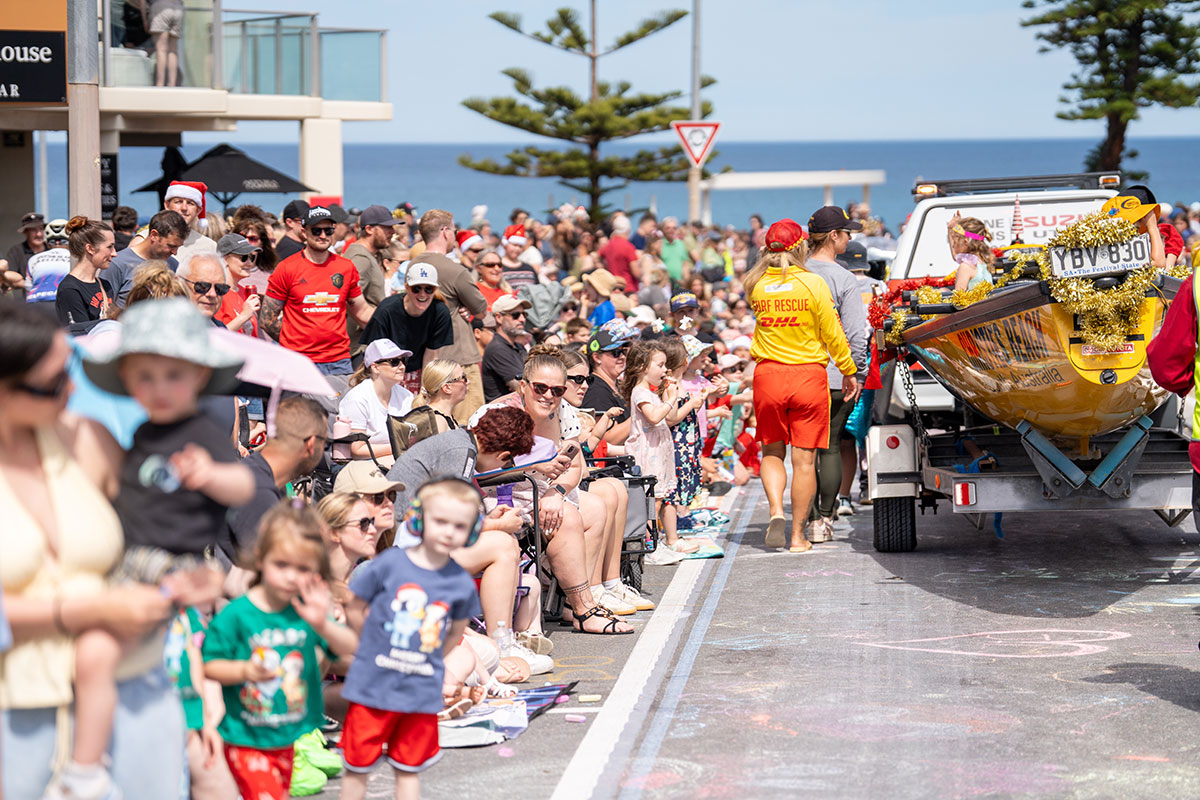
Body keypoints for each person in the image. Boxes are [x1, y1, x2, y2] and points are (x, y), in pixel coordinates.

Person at [0, 301, 185, 800]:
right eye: (52, 383)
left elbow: (162, 533)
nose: (73, 390)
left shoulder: (86, 437)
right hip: (15, 716)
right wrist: (84, 610)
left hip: (134, 692)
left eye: (71, 371)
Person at [338, 478, 484, 800]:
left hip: (419, 693)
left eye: (460, 526)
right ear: (418, 518)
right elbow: (355, 606)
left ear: (472, 532)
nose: (449, 531)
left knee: (408, 769)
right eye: (440, 521)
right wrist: (366, 644)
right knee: (357, 767)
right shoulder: (390, 563)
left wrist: (432, 656)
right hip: (373, 687)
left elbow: (456, 631)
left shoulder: (460, 583)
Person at [203, 503, 357, 800]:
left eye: (303, 569)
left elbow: (351, 648)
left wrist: (324, 624)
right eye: (281, 565)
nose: (291, 577)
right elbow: (209, 664)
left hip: (288, 737)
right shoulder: (238, 614)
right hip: (247, 738)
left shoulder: (304, 612)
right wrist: (244, 671)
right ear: (260, 558)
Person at [746, 219, 859, 553]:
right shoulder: (813, 283)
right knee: (805, 462)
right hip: (808, 376)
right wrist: (848, 370)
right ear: (800, 247)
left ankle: (775, 511)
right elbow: (833, 334)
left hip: (768, 375)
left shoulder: (755, 284)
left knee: (772, 451)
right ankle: (798, 536)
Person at [801, 206, 870, 542]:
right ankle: (822, 520)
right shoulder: (843, 278)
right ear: (833, 236)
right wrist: (857, 372)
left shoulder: (794, 272)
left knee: (804, 451)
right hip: (834, 373)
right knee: (830, 447)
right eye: (846, 232)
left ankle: (807, 515)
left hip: (797, 372)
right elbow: (856, 334)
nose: (849, 238)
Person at [261, 206, 375, 376]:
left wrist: (393, 321)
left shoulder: (345, 267)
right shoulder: (286, 268)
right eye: (316, 230)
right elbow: (267, 320)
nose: (323, 235)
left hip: (338, 361)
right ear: (304, 232)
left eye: (328, 230)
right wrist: (293, 342)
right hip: (299, 361)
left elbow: (362, 311)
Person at [223, 395, 328, 564]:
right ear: (311, 444)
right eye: (325, 442)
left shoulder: (264, 478)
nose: (324, 450)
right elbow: (271, 567)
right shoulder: (258, 492)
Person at [622, 340, 697, 562]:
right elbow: (654, 417)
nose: (665, 370)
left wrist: (669, 394)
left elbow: (670, 417)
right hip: (648, 453)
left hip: (658, 453)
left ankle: (654, 541)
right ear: (643, 367)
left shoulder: (651, 392)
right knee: (651, 502)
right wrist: (671, 399)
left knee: (658, 499)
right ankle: (649, 546)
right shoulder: (640, 392)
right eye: (660, 365)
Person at [411, 210, 488, 422]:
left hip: (429, 362)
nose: (454, 235)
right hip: (459, 358)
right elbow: (481, 310)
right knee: (470, 424)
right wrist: (466, 307)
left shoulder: (412, 267)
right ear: (445, 232)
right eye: (453, 231)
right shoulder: (455, 271)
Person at [360, 262, 455, 395]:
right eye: (416, 289)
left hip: (418, 371)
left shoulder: (440, 312)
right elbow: (377, 354)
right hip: (386, 369)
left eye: (429, 289)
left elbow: (431, 355)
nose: (422, 294)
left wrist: (425, 392)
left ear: (435, 290)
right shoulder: (387, 310)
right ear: (407, 288)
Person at [338, 339, 416, 465]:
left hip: (397, 460)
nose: (402, 366)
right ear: (375, 367)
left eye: (403, 360)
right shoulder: (357, 399)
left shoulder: (406, 396)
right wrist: (398, 447)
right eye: (394, 362)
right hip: (361, 464)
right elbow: (357, 450)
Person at [107, 209, 188, 306]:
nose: (175, 252)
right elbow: (106, 308)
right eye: (171, 246)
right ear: (154, 235)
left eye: (178, 247)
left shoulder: (173, 265)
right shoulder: (117, 264)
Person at [390, 359, 467, 456]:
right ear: (447, 388)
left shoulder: (443, 417)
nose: (468, 382)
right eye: (463, 378)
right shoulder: (437, 422)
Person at [342, 205, 397, 333]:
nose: (393, 231)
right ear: (369, 229)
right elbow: (348, 300)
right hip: (360, 341)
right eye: (387, 227)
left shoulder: (366, 255)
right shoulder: (361, 258)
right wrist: (373, 326)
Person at [56, 216, 116, 326]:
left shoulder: (105, 285)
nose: (114, 253)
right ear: (90, 249)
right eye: (109, 247)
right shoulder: (70, 289)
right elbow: (78, 332)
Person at [583, 325, 636, 445]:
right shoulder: (595, 391)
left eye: (623, 351)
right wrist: (641, 415)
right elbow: (607, 438)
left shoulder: (617, 384)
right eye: (616, 352)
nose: (622, 357)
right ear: (597, 357)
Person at [482, 295, 531, 401]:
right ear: (499, 317)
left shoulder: (518, 346)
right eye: (515, 315)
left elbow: (530, 379)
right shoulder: (497, 349)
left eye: (524, 314)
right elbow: (522, 387)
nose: (522, 319)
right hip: (503, 409)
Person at [214, 232, 262, 336]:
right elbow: (216, 335)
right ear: (225, 259)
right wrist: (244, 316)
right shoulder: (215, 294)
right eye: (244, 257)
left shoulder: (244, 291)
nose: (249, 263)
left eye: (251, 257)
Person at [25, 219, 72, 310]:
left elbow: (28, 288)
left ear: (47, 243)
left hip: (34, 302)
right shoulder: (75, 258)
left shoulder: (33, 259)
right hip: (62, 301)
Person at [947, 214, 996, 294]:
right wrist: (950, 229)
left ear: (966, 242)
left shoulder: (965, 267)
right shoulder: (983, 260)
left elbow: (958, 297)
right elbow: (956, 256)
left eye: (955, 242)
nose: (953, 245)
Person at [5, 211, 46, 296]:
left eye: (41, 229)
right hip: (29, 300)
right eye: (33, 230)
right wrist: (32, 286)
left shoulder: (51, 249)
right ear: (25, 232)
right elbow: (8, 276)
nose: (39, 234)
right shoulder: (16, 251)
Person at [600, 215, 640, 291]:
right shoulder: (628, 247)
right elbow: (636, 273)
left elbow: (597, 257)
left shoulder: (608, 245)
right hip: (628, 288)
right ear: (628, 229)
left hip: (612, 288)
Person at [500, 224, 538, 292]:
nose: (517, 249)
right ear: (505, 244)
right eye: (514, 245)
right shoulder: (497, 267)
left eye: (520, 246)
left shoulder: (529, 269)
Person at [659, 217, 693, 287]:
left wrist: (686, 282)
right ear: (662, 229)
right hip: (664, 285)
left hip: (680, 285)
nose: (671, 230)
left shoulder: (680, 244)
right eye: (668, 228)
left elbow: (684, 264)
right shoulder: (659, 244)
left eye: (674, 228)